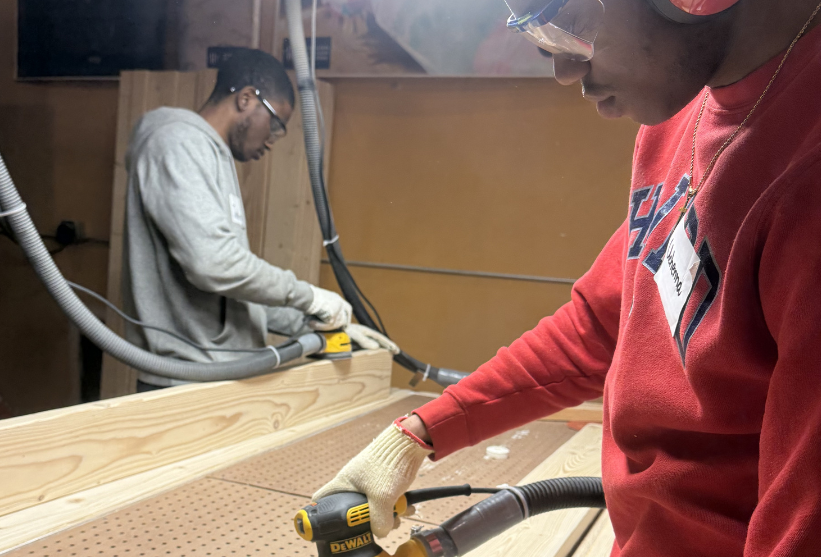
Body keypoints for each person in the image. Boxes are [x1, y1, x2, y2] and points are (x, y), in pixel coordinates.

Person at [314, 0, 821, 555]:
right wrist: (416, 435)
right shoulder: (683, 109)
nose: (563, 71)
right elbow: (601, 326)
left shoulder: (806, 181)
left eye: (570, 22)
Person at [123, 48, 396, 391]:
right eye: (276, 124)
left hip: (219, 375)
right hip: (184, 382)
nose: (271, 141)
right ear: (247, 99)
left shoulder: (212, 155)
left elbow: (233, 292)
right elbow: (215, 265)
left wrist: (312, 326)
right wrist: (307, 296)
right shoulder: (177, 143)